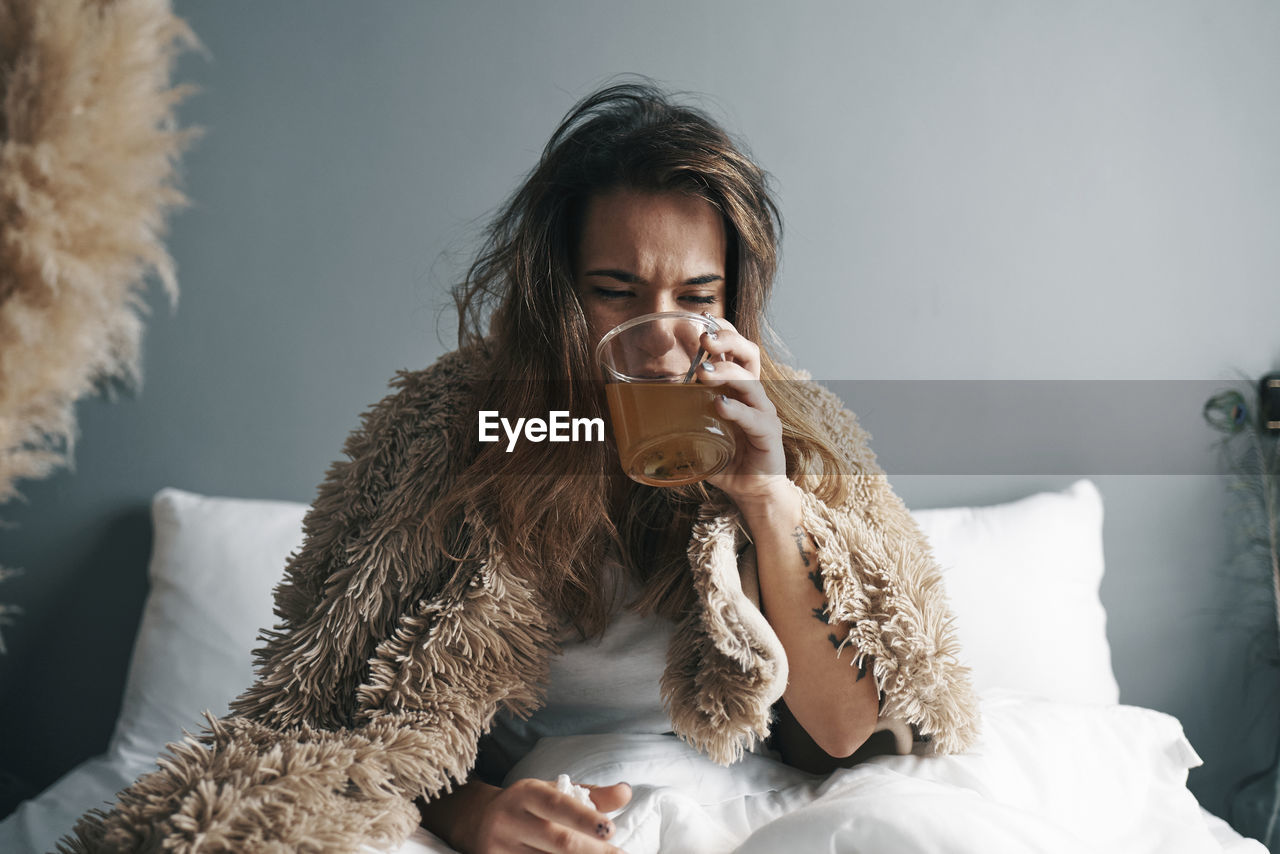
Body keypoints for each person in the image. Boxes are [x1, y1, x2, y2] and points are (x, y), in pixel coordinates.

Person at [65, 82, 977, 854]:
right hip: (533, 799)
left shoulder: (791, 431)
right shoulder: (449, 436)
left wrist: (769, 502)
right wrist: (478, 820)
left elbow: (845, 728)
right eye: (614, 291)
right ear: (554, 288)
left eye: (695, 298)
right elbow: (346, 727)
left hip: (730, 802)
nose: (660, 341)